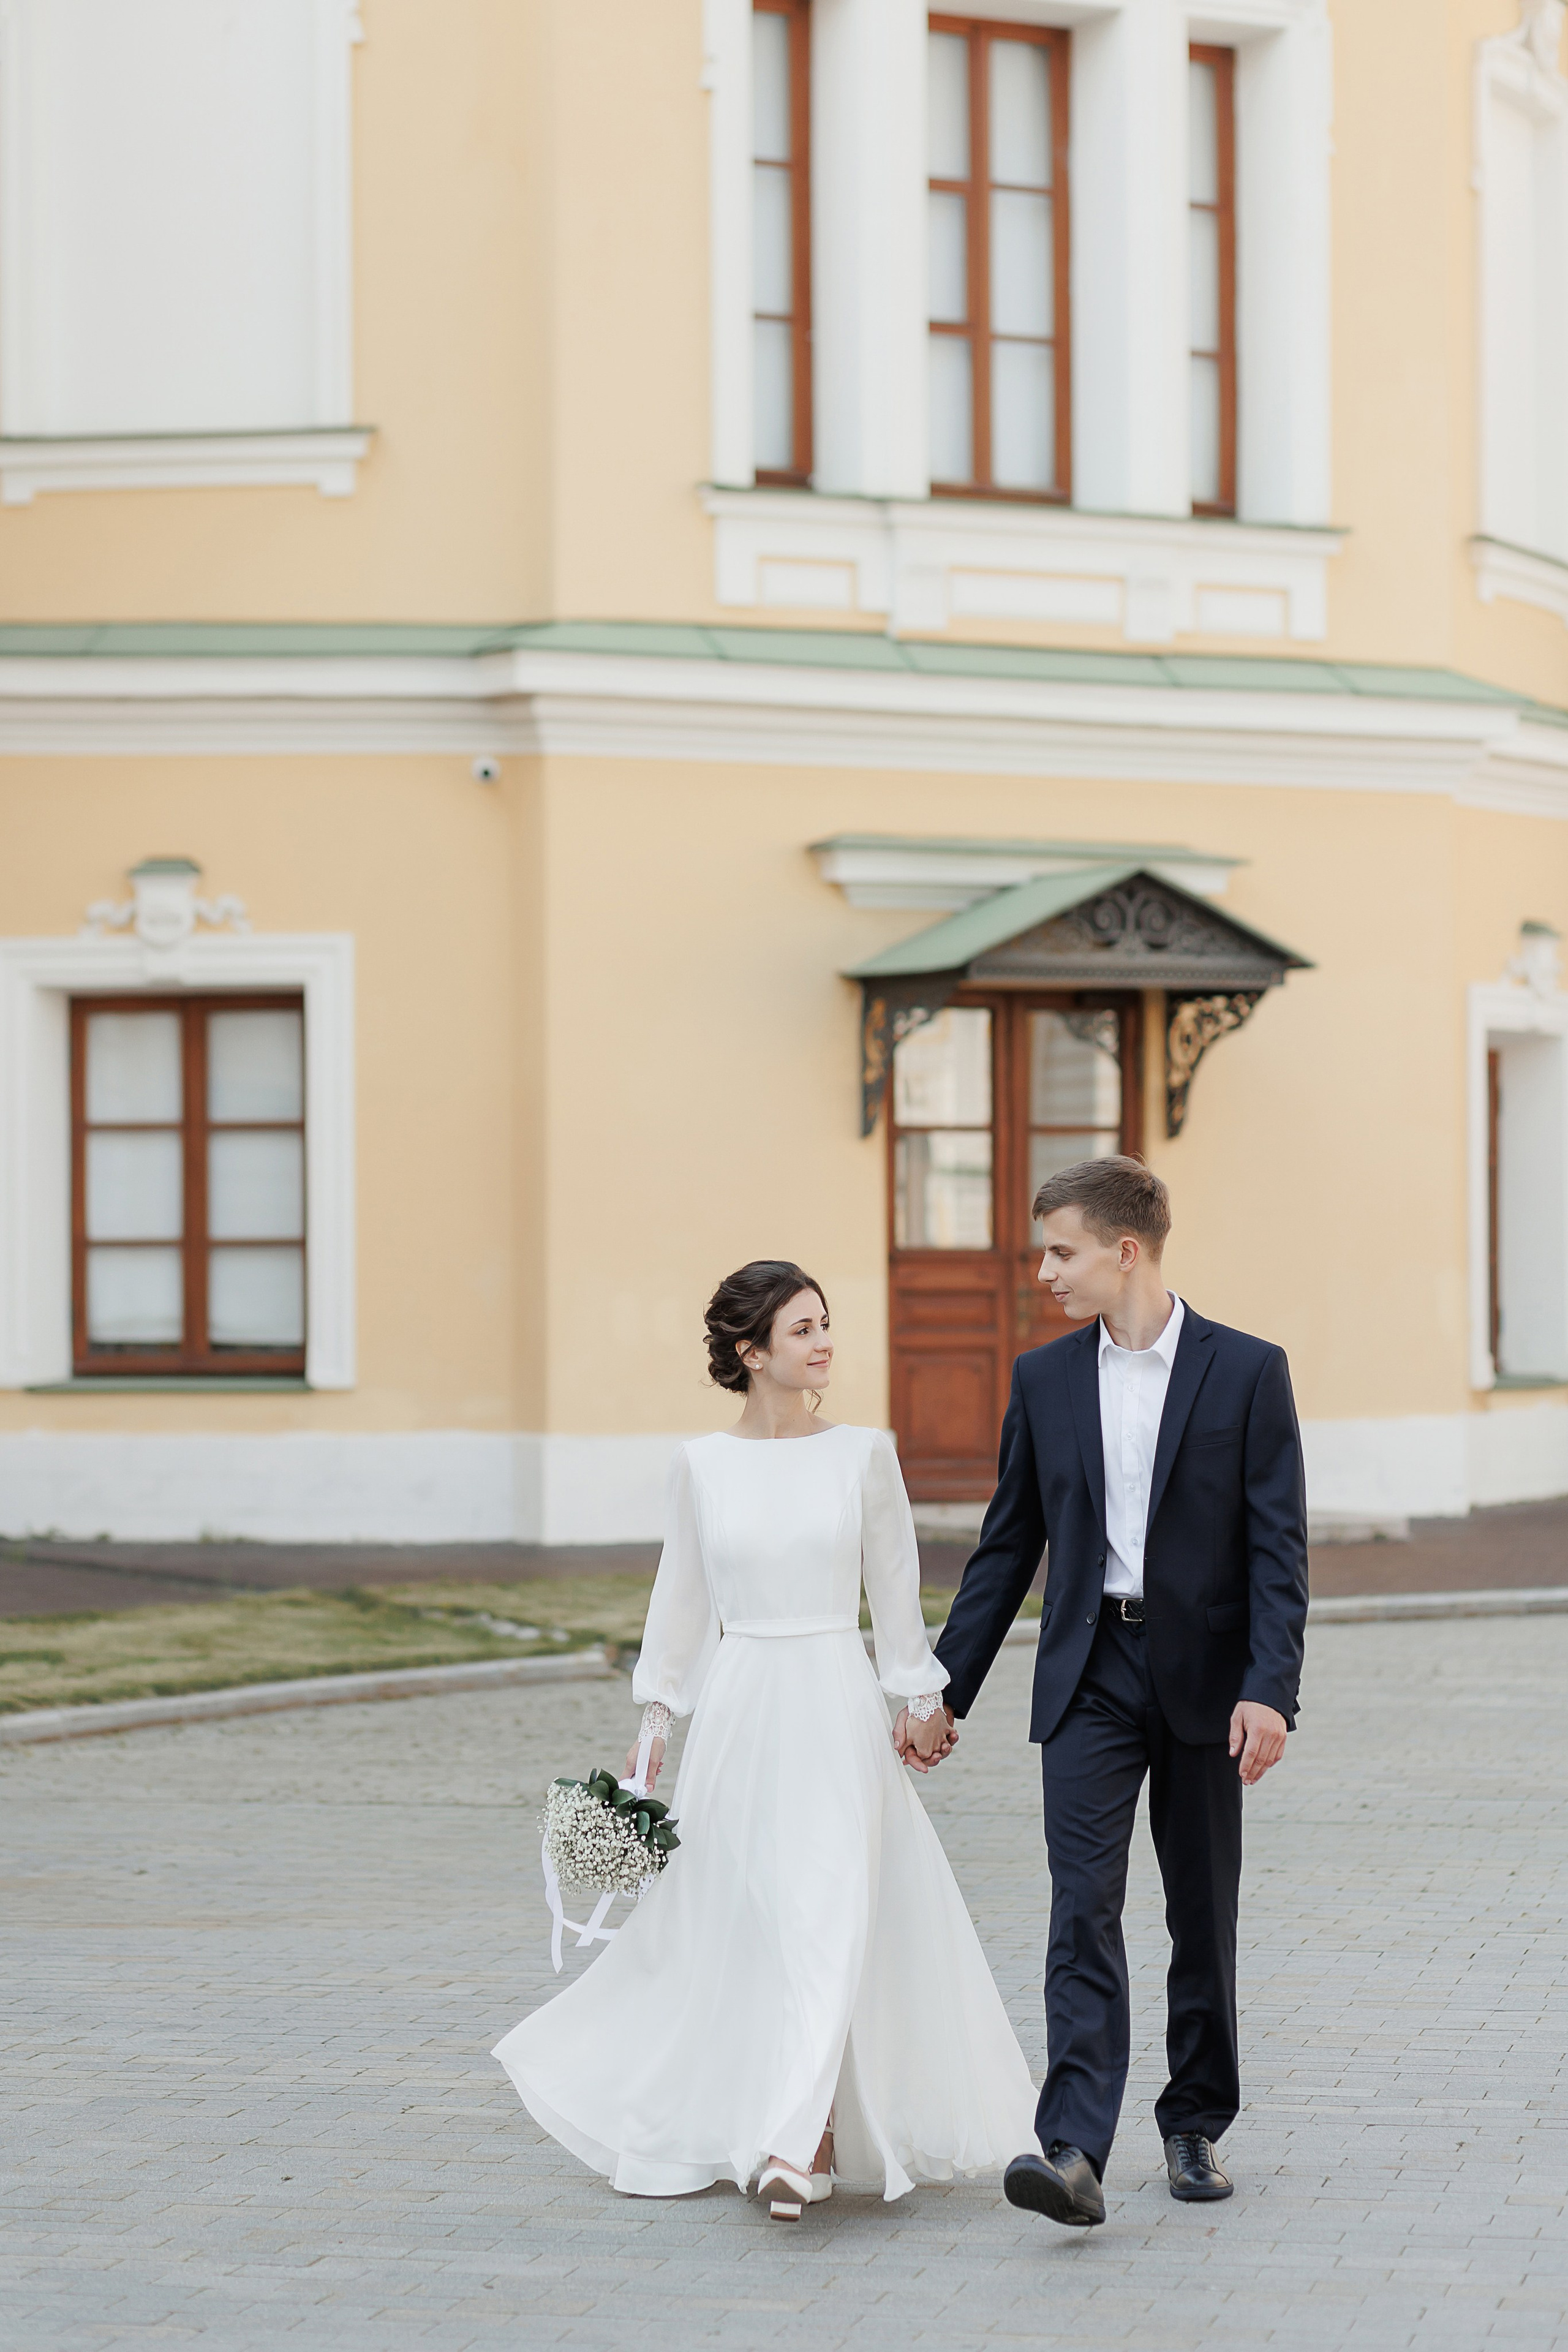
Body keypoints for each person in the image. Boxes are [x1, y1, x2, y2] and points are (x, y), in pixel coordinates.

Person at [493, 1261, 1037, 2209]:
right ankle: (784, 2133)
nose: (825, 1340)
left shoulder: (865, 1454)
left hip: (831, 1698)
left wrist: (918, 1698)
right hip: (743, 1707)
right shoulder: (701, 1464)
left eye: (826, 1323)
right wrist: (656, 1719)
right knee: (751, 1920)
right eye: (801, 1329)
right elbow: (683, 1599)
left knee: (828, 1911)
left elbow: (895, 1598)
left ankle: (799, 2147)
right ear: (752, 1353)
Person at [905, 1158, 1308, 2227]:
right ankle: (1074, 2148)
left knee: (1199, 1911)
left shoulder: (1249, 1372)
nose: (1045, 1271)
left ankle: (1192, 2123)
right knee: (1081, 1909)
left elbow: (1279, 1550)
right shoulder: (1043, 1381)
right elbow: (1007, 1549)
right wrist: (946, 1690)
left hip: (1207, 1682)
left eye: (1062, 1251)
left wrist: (1271, 1689)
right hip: (1087, 1673)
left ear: (1125, 1252)